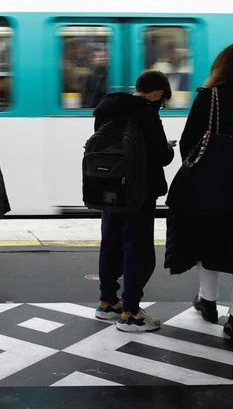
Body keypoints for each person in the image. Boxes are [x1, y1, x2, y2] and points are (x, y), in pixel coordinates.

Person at [92, 70, 176, 332]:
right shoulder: (146, 113)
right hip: (138, 192)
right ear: (158, 93)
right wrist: (168, 147)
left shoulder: (106, 108)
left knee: (110, 243)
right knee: (137, 248)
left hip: (108, 188)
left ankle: (107, 302)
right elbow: (161, 156)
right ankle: (130, 313)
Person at [164, 44, 233, 337]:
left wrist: (201, 172)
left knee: (208, 244)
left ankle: (208, 301)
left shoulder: (210, 96)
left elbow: (188, 140)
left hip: (209, 187)